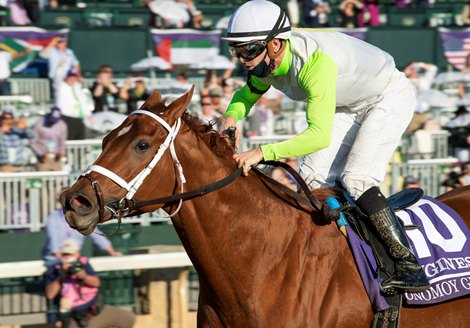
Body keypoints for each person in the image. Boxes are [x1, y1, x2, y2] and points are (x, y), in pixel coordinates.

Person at [219, 0, 429, 293]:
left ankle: (409, 265)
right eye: (237, 51)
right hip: (349, 103)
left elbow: (318, 136)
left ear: (276, 45)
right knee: (312, 181)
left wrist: (261, 153)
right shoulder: (265, 61)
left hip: (387, 96)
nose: (243, 59)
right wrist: (231, 115)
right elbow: (246, 95)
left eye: (249, 50)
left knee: (356, 178)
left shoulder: (314, 65)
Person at [44, 239, 135, 328]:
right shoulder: (55, 269)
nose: (68, 257)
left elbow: (96, 283)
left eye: (70, 254)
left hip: (93, 310)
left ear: (77, 254)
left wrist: (83, 276)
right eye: (65, 254)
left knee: (128, 318)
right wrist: (61, 276)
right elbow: (50, 295)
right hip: (73, 315)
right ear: (60, 256)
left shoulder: (83, 264)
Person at [42, 197, 123, 265]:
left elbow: (96, 236)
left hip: (75, 258)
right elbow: (52, 238)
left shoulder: (82, 217)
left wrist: (113, 252)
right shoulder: (53, 216)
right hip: (55, 260)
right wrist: (61, 259)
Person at [56, 70, 93, 140]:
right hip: (66, 117)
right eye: (70, 77)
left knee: (80, 136)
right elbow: (57, 77)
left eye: (74, 77)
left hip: (78, 118)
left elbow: (82, 101)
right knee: (70, 137)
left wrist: (88, 114)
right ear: (66, 77)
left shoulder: (77, 87)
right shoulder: (61, 87)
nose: (72, 79)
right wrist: (60, 68)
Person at [30, 106, 68, 171]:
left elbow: (62, 141)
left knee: (58, 179)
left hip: (56, 158)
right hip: (42, 159)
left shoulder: (62, 125)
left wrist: (61, 151)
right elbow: (32, 141)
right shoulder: (39, 123)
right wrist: (41, 154)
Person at [0, 108, 33, 172]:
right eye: (5, 118)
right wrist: (2, 131)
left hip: (19, 166)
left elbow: (31, 135)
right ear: (1, 119)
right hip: (5, 167)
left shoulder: (17, 131)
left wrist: (25, 127)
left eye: (10, 118)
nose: (8, 120)